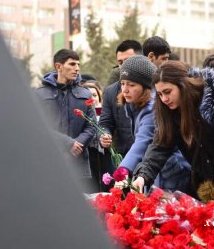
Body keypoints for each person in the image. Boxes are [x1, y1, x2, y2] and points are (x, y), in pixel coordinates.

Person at [131, 60, 214, 205]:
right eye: (159, 94)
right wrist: (142, 176)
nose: (164, 99)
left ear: (183, 86)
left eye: (168, 92)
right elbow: (160, 146)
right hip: (207, 186)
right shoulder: (170, 112)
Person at [101, 56, 191, 192]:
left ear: (146, 87)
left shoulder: (152, 109)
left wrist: (124, 169)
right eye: (123, 83)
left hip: (171, 172)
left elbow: (143, 140)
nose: (124, 89)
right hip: (152, 171)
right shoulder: (133, 105)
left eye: (131, 85)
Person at [35, 49, 96, 187]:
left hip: (78, 164)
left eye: (78, 65)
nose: (77, 69)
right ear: (58, 66)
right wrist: (68, 143)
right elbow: (38, 126)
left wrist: (76, 145)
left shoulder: (85, 94)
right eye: (72, 64)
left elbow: (92, 126)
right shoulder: (40, 94)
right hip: (49, 162)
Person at [98, 40, 142, 173]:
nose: (123, 66)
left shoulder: (155, 88)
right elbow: (105, 122)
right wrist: (104, 134)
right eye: (120, 62)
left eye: (127, 61)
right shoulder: (111, 91)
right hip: (123, 157)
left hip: (150, 156)